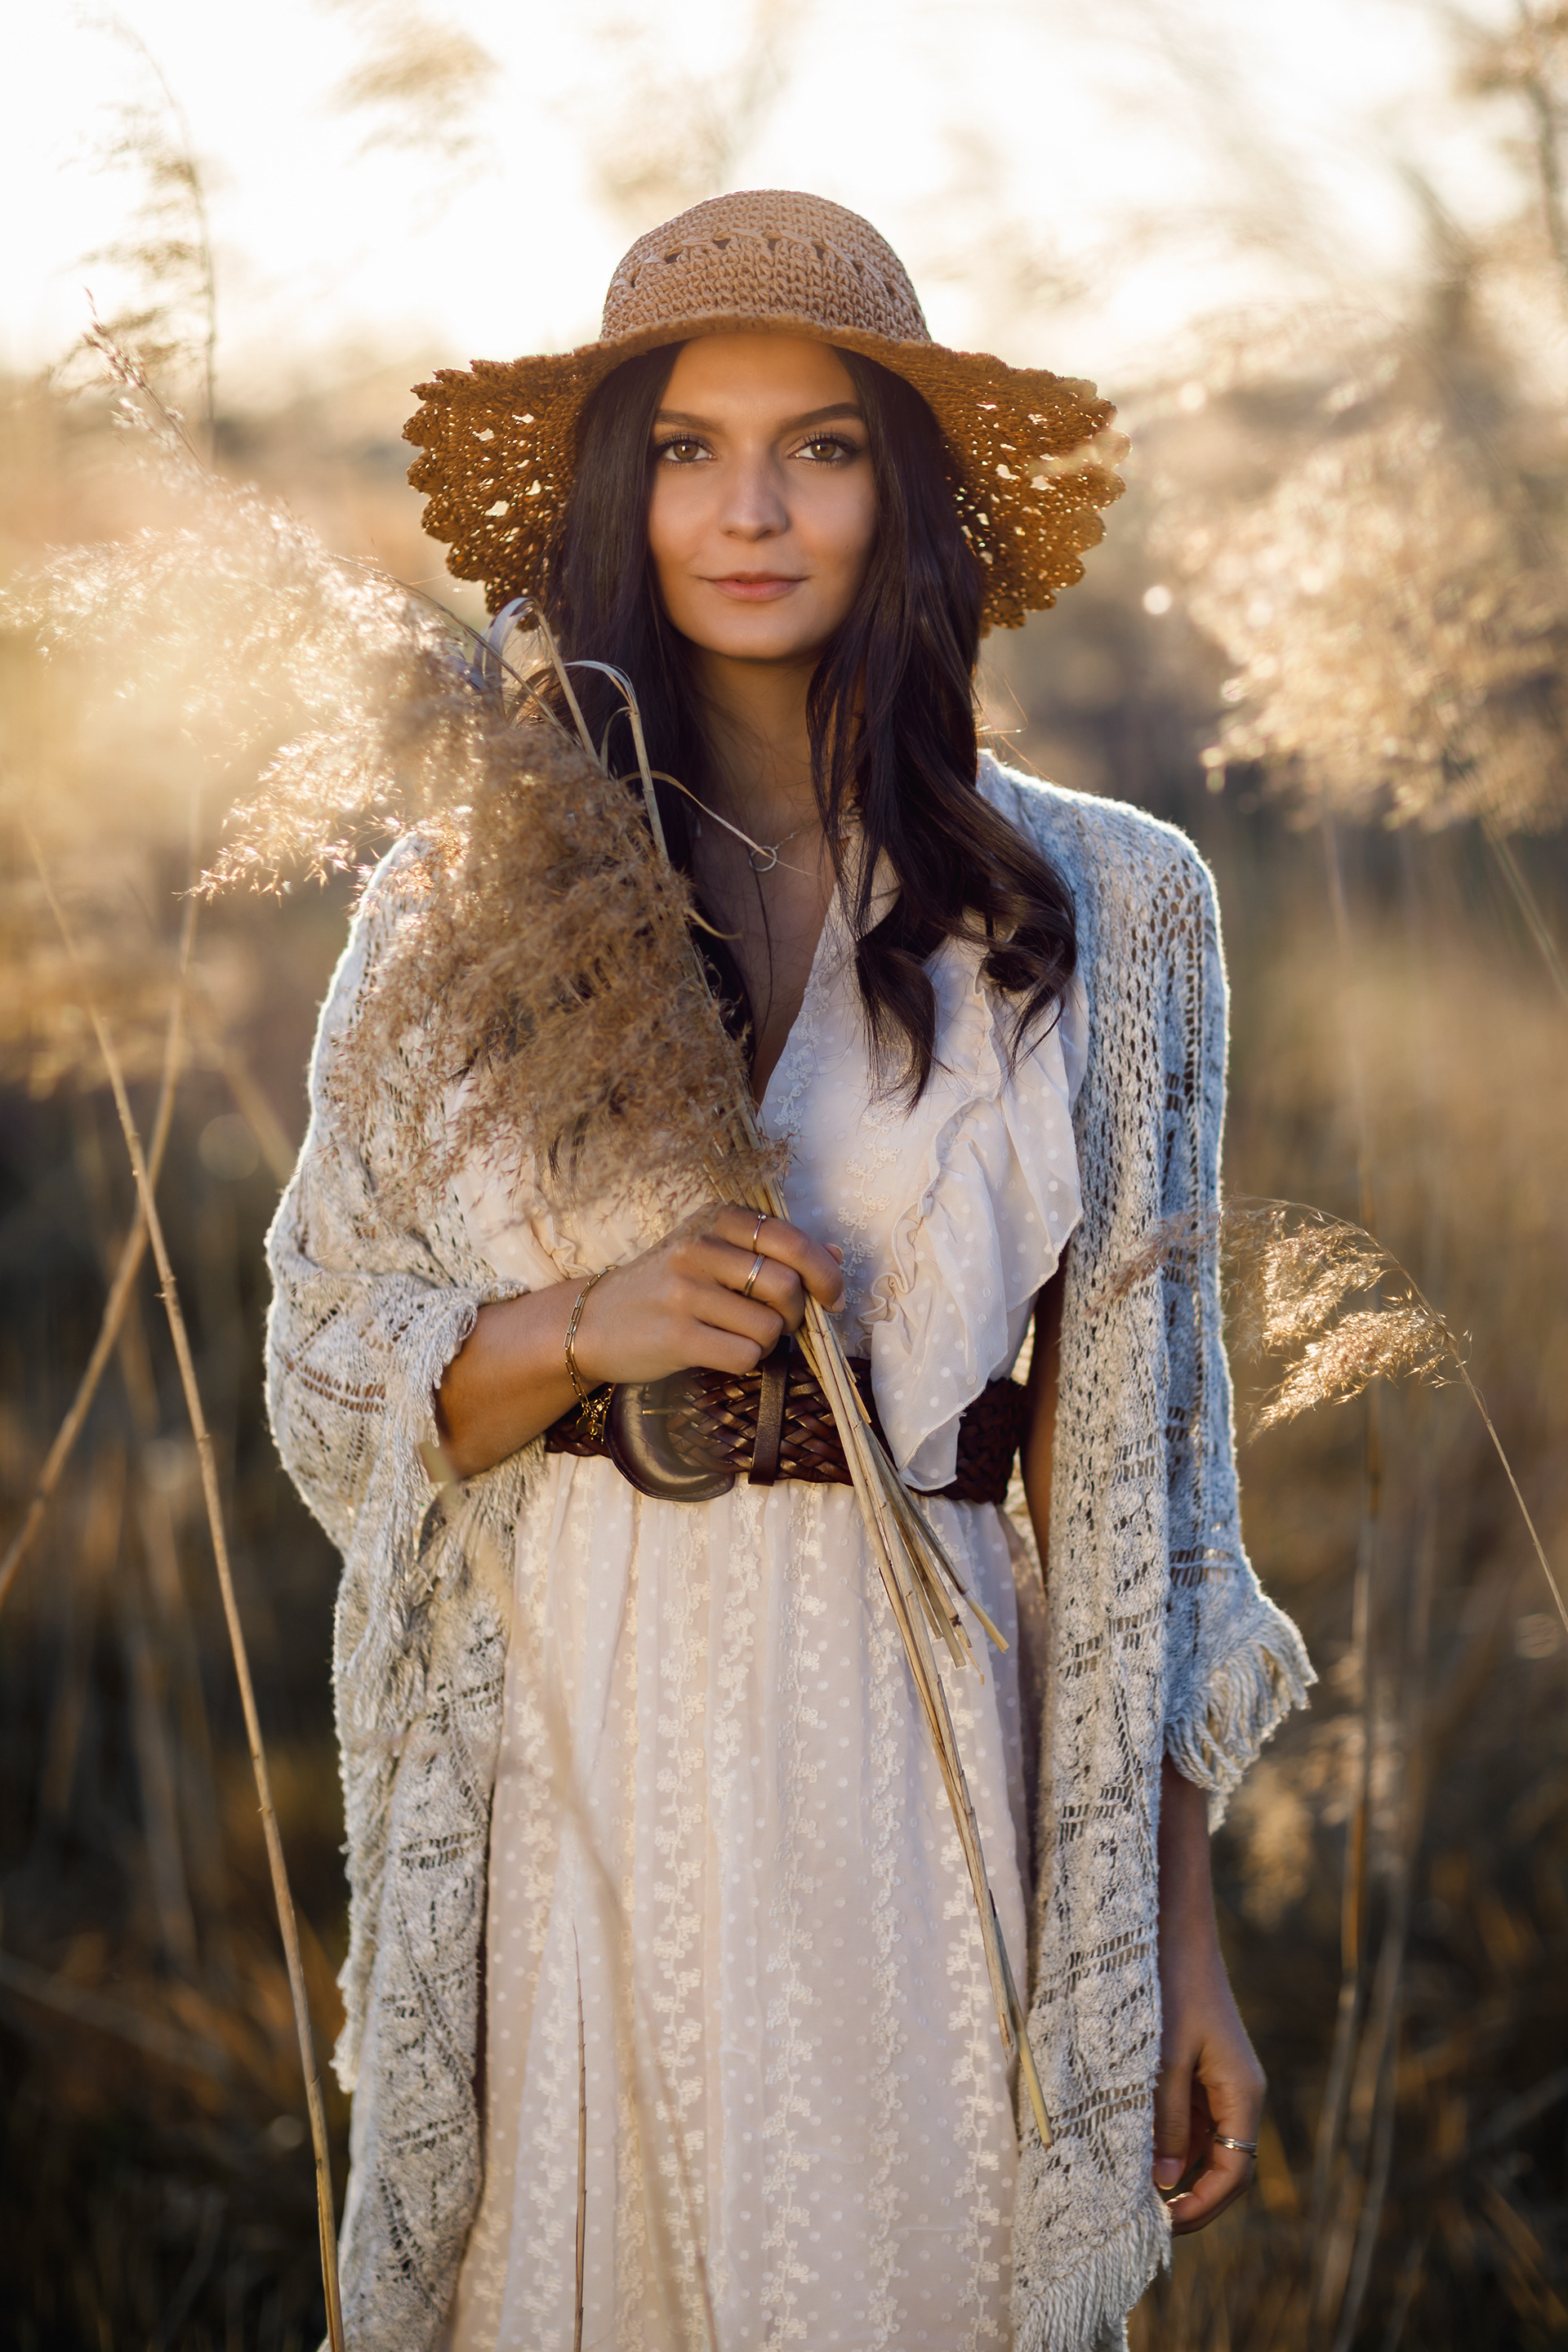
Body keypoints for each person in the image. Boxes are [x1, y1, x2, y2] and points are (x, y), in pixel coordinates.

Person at [266, 189, 1312, 2352]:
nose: (751, 512)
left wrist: (1174, 1946)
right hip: (571, 1757)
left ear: (903, 494)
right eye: (686, 449)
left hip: (918, 1756)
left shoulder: (1117, 906)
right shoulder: (457, 906)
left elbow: (1151, 1493)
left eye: (821, 447)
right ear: (614, 492)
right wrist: (585, 1328)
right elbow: (323, 1376)